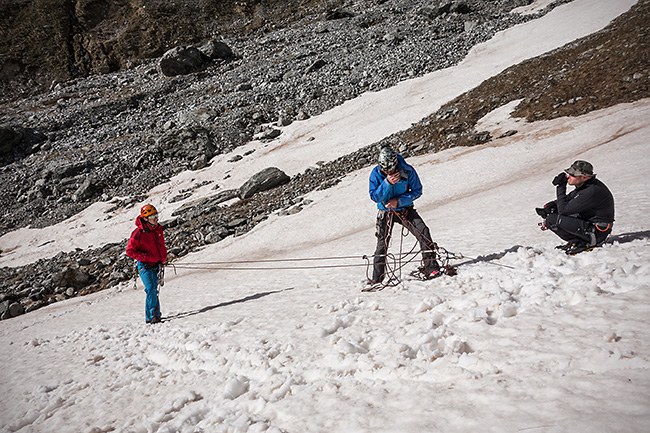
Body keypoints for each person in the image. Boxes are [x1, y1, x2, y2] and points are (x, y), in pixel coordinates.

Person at [368, 146, 441, 287]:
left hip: (405, 210)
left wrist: (399, 201)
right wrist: (387, 183)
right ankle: (377, 278)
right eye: (385, 170)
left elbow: (417, 191)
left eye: (390, 169)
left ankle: (431, 268)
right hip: (386, 212)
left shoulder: (406, 171)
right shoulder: (376, 174)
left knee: (423, 232)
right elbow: (375, 196)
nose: (388, 172)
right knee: (382, 244)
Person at [536, 160, 615, 255]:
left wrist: (561, 187)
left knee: (552, 219)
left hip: (597, 232)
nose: (568, 176)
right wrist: (550, 206)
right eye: (568, 173)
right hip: (590, 225)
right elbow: (568, 199)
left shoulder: (591, 191)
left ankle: (583, 243)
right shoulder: (586, 185)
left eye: (572, 175)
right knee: (553, 212)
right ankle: (576, 241)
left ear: (584, 177)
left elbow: (563, 210)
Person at [126, 204, 168, 323]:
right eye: (152, 216)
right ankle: (150, 317)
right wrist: (146, 257)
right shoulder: (138, 233)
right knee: (150, 288)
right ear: (145, 218)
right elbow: (129, 251)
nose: (156, 218)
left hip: (156, 265)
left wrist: (162, 259)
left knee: (154, 289)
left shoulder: (157, 229)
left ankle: (156, 315)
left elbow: (161, 246)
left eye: (156, 215)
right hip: (144, 265)